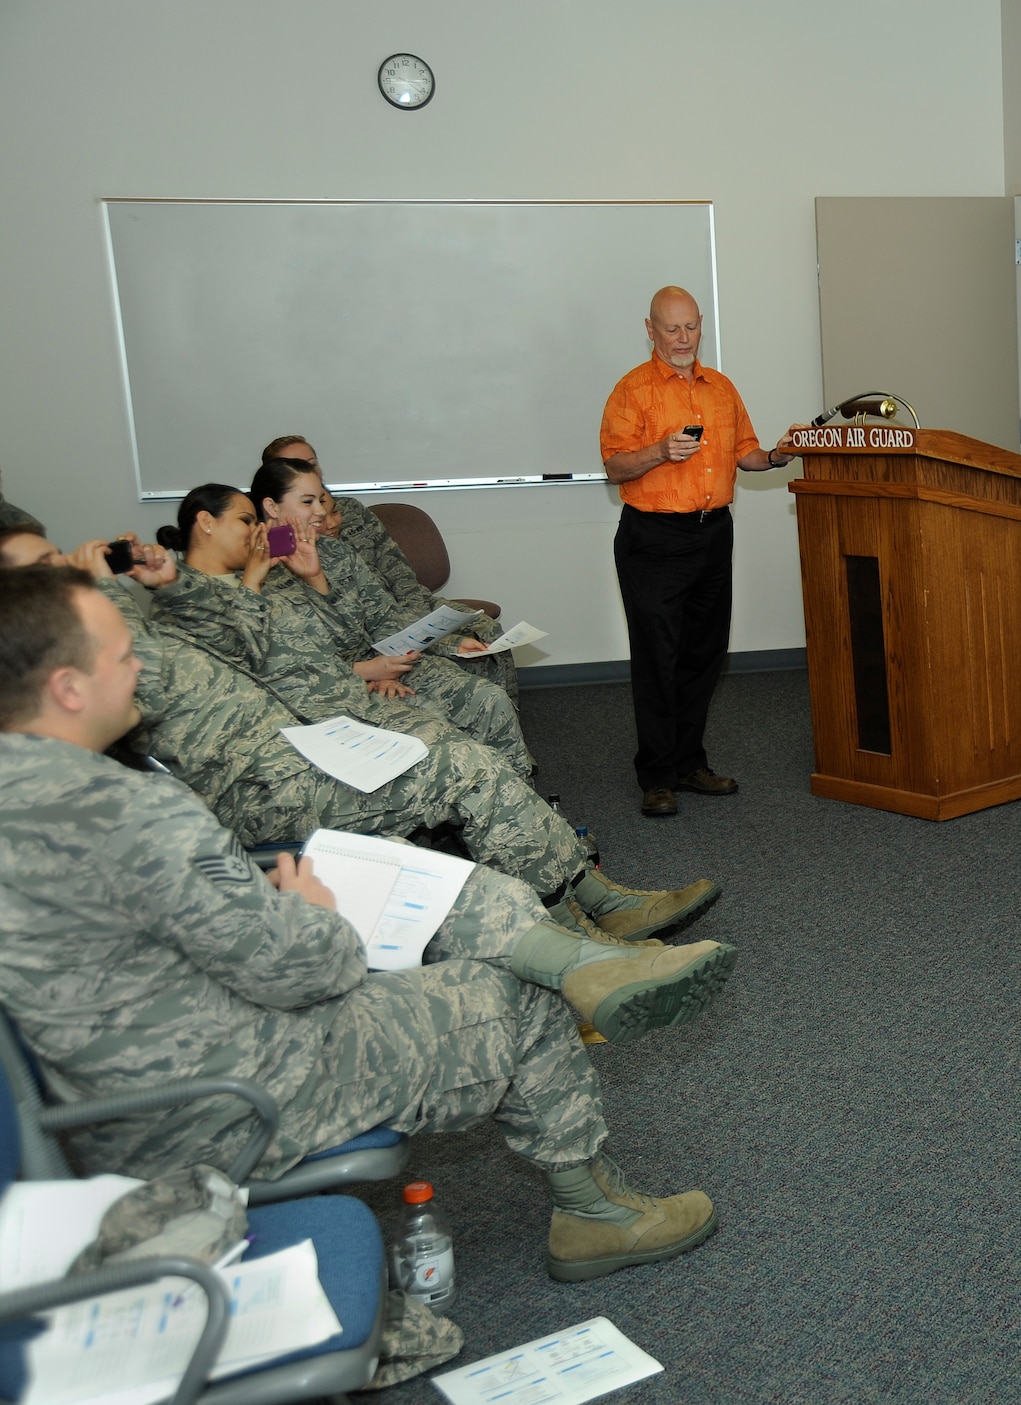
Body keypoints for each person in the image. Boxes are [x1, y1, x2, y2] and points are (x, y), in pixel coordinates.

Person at [0, 564, 735, 1280]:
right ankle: (595, 1211)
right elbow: (309, 970)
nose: (138, 667)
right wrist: (310, 913)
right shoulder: (125, 810)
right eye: (123, 654)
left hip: (128, 1091)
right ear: (67, 688)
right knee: (513, 996)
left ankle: (582, 959)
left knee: (423, 882)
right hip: (221, 1098)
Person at [0, 526, 716, 943]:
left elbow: (247, 630)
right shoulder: (81, 645)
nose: (63, 562)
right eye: (40, 568)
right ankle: (583, 930)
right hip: (262, 783)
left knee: (461, 752)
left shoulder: (127, 614)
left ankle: (588, 899)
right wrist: (102, 594)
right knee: (461, 766)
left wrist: (172, 583)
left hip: (299, 745)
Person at [152, 481, 536, 781]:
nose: (258, 532)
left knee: (477, 708)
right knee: (449, 744)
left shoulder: (267, 576)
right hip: (303, 724)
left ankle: (522, 806)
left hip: (349, 686)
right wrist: (365, 673)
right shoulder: (196, 603)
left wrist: (315, 581)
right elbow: (261, 675)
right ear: (206, 523)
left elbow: (331, 638)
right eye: (247, 521)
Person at [600, 285, 795, 818]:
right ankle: (657, 775)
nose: (683, 338)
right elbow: (615, 466)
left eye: (691, 327)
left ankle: (689, 763)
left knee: (704, 656)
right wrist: (660, 451)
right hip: (654, 539)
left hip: (713, 534)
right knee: (658, 658)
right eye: (671, 328)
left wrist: (779, 454)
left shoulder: (721, 388)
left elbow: (746, 455)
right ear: (650, 330)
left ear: (700, 325)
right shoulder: (632, 390)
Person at [259, 435, 517, 702]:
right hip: (362, 654)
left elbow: (397, 574)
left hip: (396, 618)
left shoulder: (342, 533)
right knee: (468, 695)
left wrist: (427, 628)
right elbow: (323, 642)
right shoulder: (264, 566)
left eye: (310, 463)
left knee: (483, 636)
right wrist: (373, 667)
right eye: (294, 466)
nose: (324, 516)